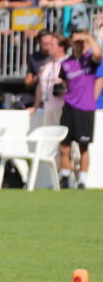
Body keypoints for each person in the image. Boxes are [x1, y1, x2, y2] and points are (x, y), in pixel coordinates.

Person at [58, 32, 102, 189]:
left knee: (84, 147)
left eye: (82, 42)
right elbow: (65, 82)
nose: (79, 44)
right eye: (76, 41)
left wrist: (88, 38)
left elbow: (98, 54)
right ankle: (65, 177)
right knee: (64, 146)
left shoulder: (90, 60)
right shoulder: (66, 63)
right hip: (69, 108)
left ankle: (82, 180)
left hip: (85, 109)